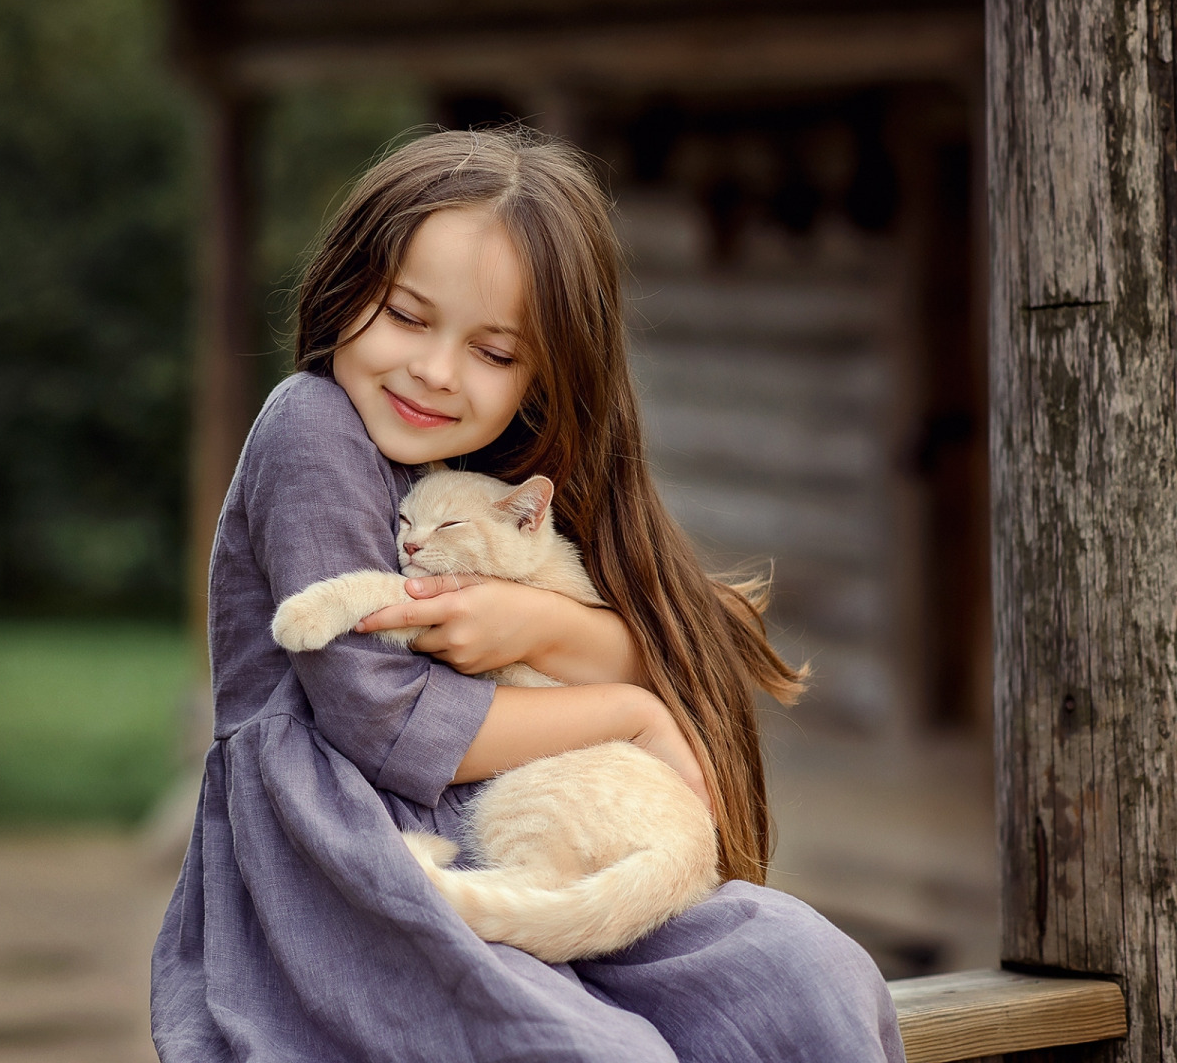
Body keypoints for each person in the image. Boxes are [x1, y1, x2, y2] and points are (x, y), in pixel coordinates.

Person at [151, 126, 906, 1062]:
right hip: (351, 865)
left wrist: (544, 623)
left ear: (545, 375)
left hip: (529, 834)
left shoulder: (490, 472)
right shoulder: (315, 428)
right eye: (407, 315)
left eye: (495, 352)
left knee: (810, 977)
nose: (436, 371)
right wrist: (628, 715)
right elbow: (379, 718)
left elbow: (683, 639)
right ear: (348, 289)